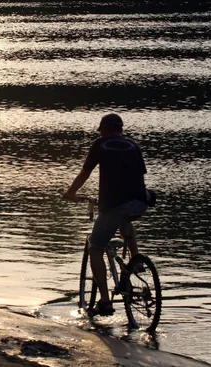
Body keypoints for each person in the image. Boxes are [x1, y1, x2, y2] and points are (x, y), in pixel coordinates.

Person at [63, 113, 148, 316]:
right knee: (125, 218)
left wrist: (70, 193)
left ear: (104, 129)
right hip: (140, 201)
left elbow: (85, 173)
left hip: (114, 204)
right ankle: (136, 259)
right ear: (121, 129)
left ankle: (105, 301)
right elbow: (139, 176)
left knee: (96, 247)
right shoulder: (133, 145)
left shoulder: (100, 144)